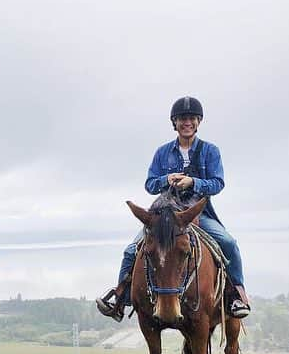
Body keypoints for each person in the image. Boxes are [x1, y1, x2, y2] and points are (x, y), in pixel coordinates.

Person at [97, 96, 251, 321]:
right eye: (181, 119)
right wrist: (166, 179)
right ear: (175, 123)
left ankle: (237, 295)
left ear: (198, 121)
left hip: (196, 214)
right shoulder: (162, 152)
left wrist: (193, 183)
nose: (186, 123)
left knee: (229, 243)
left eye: (191, 118)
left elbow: (218, 183)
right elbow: (150, 184)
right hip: (164, 215)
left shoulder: (210, 151)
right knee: (131, 250)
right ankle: (121, 298)